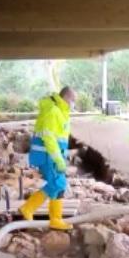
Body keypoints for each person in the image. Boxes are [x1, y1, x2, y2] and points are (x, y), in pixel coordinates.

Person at [19, 86, 76, 231]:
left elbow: (59, 139)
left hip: (54, 155)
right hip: (48, 155)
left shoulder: (60, 111)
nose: (74, 103)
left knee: (58, 185)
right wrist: (58, 159)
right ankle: (29, 208)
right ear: (66, 98)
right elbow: (49, 138)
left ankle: (55, 219)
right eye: (73, 100)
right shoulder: (53, 111)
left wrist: (61, 157)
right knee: (58, 184)